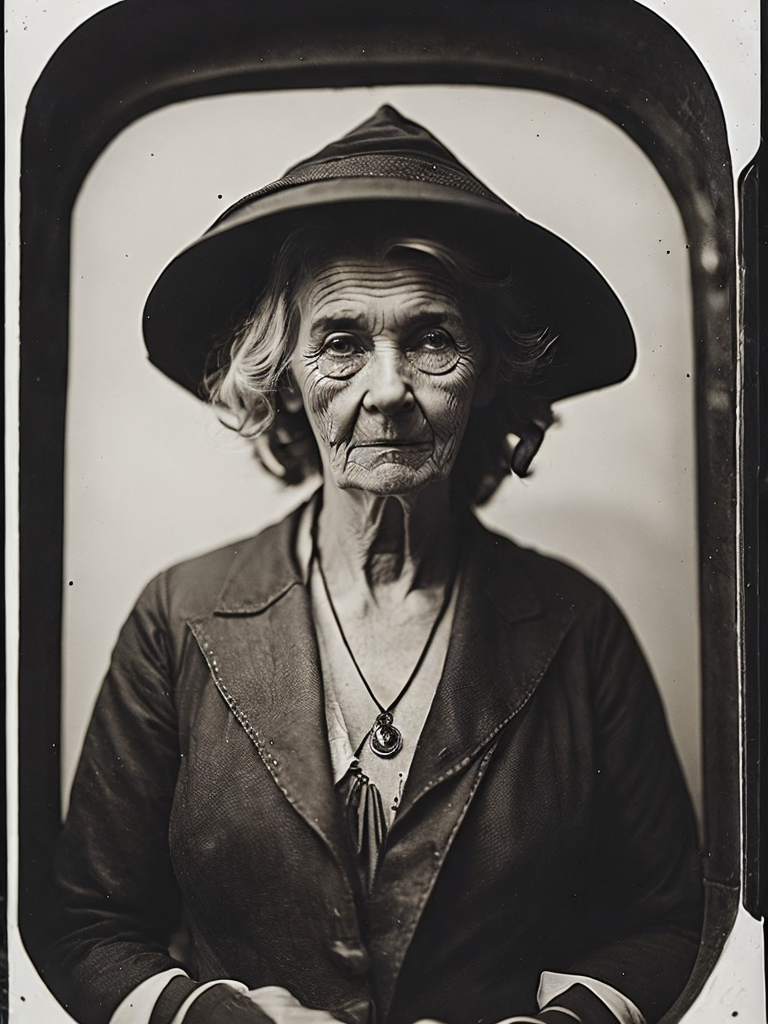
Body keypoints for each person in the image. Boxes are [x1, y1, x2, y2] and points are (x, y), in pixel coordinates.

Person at [45, 106, 702, 1024]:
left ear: (487, 372)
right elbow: (84, 924)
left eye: (431, 338)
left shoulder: (577, 624)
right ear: (282, 375)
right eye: (343, 341)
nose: (388, 390)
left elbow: (671, 919)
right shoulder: (179, 615)